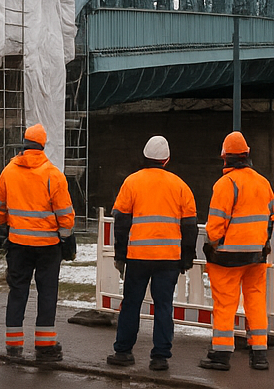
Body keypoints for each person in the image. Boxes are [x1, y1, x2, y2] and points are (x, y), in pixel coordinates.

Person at [105, 135, 197, 372]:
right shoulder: (180, 185)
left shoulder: (131, 182)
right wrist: (187, 257)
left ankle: (123, 352)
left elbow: (121, 222)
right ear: (166, 159)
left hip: (138, 256)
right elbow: (189, 226)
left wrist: (119, 255)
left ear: (144, 157)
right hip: (169, 258)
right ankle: (160, 357)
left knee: (131, 304)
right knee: (164, 306)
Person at [0, 123, 76, 363]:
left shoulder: (9, 171)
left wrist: (2, 226)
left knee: (18, 291)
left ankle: (13, 346)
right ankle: (45, 346)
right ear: (43, 144)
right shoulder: (53, 174)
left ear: (24, 143)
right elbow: (66, 214)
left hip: (18, 244)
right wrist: (66, 238)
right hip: (48, 247)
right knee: (47, 293)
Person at [200, 130, 274, 372]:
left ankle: (221, 355)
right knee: (255, 302)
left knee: (225, 304)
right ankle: (259, 355)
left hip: (227, 257)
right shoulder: (263, 183)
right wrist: (262, 244)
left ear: (224, 157)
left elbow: (214, 226)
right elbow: (272, 219)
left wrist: (212, 244)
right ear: (247, 154)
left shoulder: (225, 184)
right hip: (256, 255)